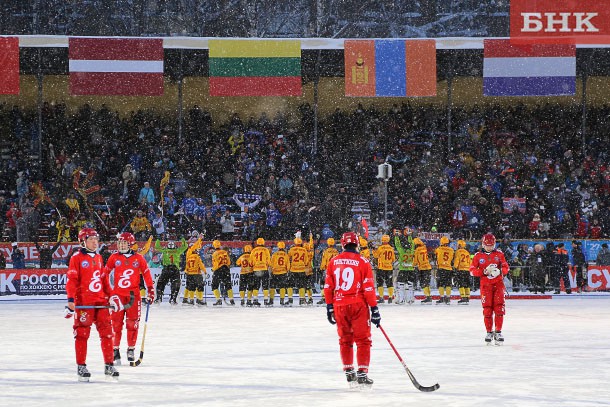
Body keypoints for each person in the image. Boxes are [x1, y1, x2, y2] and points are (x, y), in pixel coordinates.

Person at [64, 227, 121, 381]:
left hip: (101, 303)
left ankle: (109, 364)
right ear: (83, 242)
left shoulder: (98, 257)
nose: (95, 242)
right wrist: (71, 300)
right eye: (91, 239)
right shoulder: (76, 258)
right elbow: (72, 281)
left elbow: (104, 280)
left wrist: (112, 297)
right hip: (85, 303)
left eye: (96, 239)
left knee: (107, 333)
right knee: (82, 334)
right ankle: (81, 366)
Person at [324, 231, 379, 388]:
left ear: (342, 244)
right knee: (363, 340)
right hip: (358, 305)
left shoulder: (334, 261)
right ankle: (362, 373)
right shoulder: (363, 261)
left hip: (339, 305)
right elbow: (368, 288)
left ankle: (349, 372)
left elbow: (328, 287)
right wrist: (374, 308)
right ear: (357, 244)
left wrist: (329, 307)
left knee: (345, 340)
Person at [105, 232, 155, 365]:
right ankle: (115, 349)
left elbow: (146, 273)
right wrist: (106, 292)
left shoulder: (138, 258)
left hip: (133, 297)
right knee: (116, 324)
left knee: (133, 324)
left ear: (130, 244)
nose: (121, 245)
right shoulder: (113, 257)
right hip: (117, 296)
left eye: (124, 243)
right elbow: (105, 273)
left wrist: (150, 290)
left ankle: (131, 349)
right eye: (120, 243)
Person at [469, 233, 509, 345]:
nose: (489, 247)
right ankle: (489, 332)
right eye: (487, 245)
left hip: (498, 285)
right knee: (487, 310)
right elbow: (472, 270)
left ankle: (498, 331)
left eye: (491, 245)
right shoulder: (477, 256)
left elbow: (506, 267)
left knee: (499, 308)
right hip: (485, 286)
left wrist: (500, 272)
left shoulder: (499, 254)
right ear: (483, 244)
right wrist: (484, 272)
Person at [154, 238, 187, 305]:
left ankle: (159, 298)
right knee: (176, 283)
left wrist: (158, 239)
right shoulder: (178, 250)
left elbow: (157, 247)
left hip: (166, 268)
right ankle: (173, 299)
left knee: (161, 282)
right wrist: (183, 239)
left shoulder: (165, 250)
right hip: (175, 269)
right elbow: (185, 246)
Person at [182, 237, 207, 306]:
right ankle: (199, 299)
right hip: (196, 273)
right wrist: (204, 271)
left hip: (189, 273)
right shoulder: (195, 255)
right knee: (200, 286)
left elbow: (187, 264)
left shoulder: (189, 255)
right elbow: (201, 265)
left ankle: (190, 299)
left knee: (190, 287)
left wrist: (186, 270)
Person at [211, 240, 235, 306]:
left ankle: (218, 300)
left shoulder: (214, 254)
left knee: (214, 286)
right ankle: (231, 300)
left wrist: (213, 269)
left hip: (218, 270)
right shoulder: (225, 252)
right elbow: (229, 262)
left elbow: (215, 264)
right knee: (228, 285)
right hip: (226, 269)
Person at [393, 231, 416, 304]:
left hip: (403, 269)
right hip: (411, 270)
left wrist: (396, 237)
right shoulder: (412, 251)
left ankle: (401, 300)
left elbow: (397, 245)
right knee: (410, 285)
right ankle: (409, 300)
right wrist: (409, 236)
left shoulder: (402, 251)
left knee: (400, 285)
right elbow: (412, 243)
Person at [373, 234, 396, 303]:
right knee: (390, 283)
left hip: (381, 268)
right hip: (389, 268)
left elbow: (376, 256)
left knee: (380, 283)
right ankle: (390, 297)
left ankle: (381, 298)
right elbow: (393, 259)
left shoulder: (380, 248)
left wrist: (374, 249)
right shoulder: (391, 248)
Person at [317, 237, 339, 305]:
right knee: (334, 284)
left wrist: (321, 268)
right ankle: (334, 297)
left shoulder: (326, 251)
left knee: (324, 284)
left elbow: (324, 261)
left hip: (327, 270)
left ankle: (324, 298)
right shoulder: (336, 251)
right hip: (335, 270)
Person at [249, 237, 271, 306]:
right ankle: (265, 300)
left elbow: (251, 262)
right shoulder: (266, 250)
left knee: (256, 286)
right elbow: (268, 260)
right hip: (264, 269)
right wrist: (266, 265)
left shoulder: (254, 250)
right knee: (265, 286)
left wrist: (254, 265)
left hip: (256, 269)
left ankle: (255, 300)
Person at [288, 236, 309, 306]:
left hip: (293, 269)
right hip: (301, 269)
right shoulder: (304, 250)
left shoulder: (292, 249)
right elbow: (306, 261)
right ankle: (302, 299)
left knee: (290, 285)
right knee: (301, 286)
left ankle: (290, 300)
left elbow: (288, 258)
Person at [269, 241, 291, 306]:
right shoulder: (286, 255)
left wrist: (271, 271)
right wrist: (287, 271)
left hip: (275, 272)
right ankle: (282, 301)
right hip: (283, 272)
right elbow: (288, 265)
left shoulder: (274, 254)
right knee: (282, 287)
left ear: (278, 247)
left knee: (272, 287)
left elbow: (271, 264)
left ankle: (271, 300)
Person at [435, 236, 455, 305]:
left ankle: (442, 298)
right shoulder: (451, 250)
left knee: (440, 284)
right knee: (448, 284)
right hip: (449, 269)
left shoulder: (438, 249)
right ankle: (448, 298)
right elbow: (452, 260)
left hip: (441, 269)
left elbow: (436, 257)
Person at [413, 238, 433, 304]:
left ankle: (428, 297)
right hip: (428, 267)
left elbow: (415, 261)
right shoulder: (424, 248)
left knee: (423, 284)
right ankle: (429, 296)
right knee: (427, 283)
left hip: (422, 268)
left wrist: (413, 265)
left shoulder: (417, 250)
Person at [453, 240, 472, 304]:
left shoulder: (458, 252)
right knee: (467, 284)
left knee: (461, 284)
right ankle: (467, 297)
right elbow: (470, 262)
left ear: (460, 245)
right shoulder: (467, 252)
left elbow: (457, 260)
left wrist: (455, 267)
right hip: (467, 270)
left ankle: (463, 297)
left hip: (461, 269)